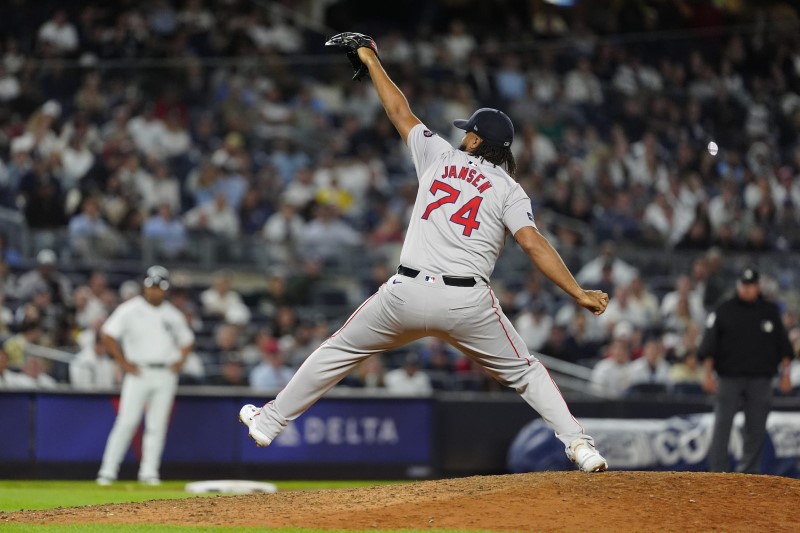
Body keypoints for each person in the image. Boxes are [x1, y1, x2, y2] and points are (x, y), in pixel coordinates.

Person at [238, 33, 610, 473]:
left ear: (475, 142)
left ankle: (271, 421)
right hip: (467, 302)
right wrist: (578, 293)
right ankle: (581, 447)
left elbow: (398, 109)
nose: (463, 134)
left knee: (338, 350)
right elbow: (532, 242)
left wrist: (371, 61)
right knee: (526, 372)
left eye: (468, 130)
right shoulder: (510, 189)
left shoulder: (438, 154)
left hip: (407, 293)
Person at [96, 266, 195, 486]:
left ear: (165, 289)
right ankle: (108, 471)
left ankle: (149, 472)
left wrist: (180, 361)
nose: (155, 291)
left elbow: (187, 341)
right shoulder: (130, 309)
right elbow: (108, 334)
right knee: (127, 422)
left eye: (160, 287)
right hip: (138, 372)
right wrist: (122, 362)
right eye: (152, 286)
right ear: (145, 286)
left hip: (165, 373)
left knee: (157, 425)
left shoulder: (173, 314)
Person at [699, 267, 794, 474]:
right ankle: (717, 472)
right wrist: (707, 374)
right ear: (738, 285)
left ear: (758, 287)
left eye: (752, 285)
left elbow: (784, 346)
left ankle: (749, 473)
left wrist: (786, 375)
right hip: (729, 377)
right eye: (745, 285)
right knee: (722, 425)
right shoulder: (724, 309)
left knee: (757, 427)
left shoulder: (769, 311)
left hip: (761, 379)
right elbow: (709, 346)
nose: (748, 289)